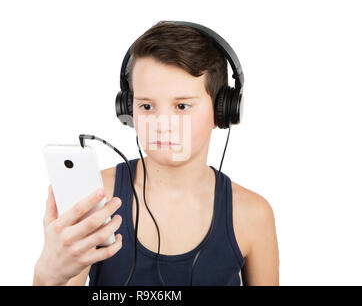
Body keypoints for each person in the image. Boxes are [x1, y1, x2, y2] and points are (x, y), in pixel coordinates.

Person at [33, 21, 279, 286]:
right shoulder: (96, 197)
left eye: (182, 106)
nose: (162, 124)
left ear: (222, 111)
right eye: (147, 106)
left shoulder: (253, 215)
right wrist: (48, 275)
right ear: (128, 109)